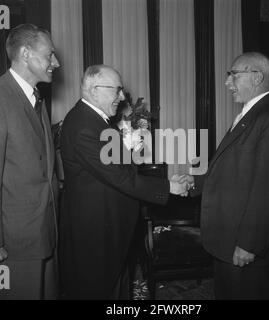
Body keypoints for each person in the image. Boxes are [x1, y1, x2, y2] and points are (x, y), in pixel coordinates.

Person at [59, 64, 187, 299]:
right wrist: (169, 187)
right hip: (96, 235)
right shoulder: (84, 126)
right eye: (116, 90)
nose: (121, 97)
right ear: (94, 89)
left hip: (108, 230)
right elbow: (119, 177)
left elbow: (120, 170)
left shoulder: (97, 121)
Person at [187, 52, 269, 299]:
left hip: (244, 245)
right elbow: (233, 168)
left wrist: (249, 243)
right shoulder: (251, 113)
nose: (227, 83)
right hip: (229, 238)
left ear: (256, 77)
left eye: (233, 75)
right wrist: (196, 182)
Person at [0, 24, 60, 299]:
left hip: (44, 233)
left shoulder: (37, 98)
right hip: (15, 242)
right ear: (25, 53)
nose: (55, 63)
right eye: (49, 55)